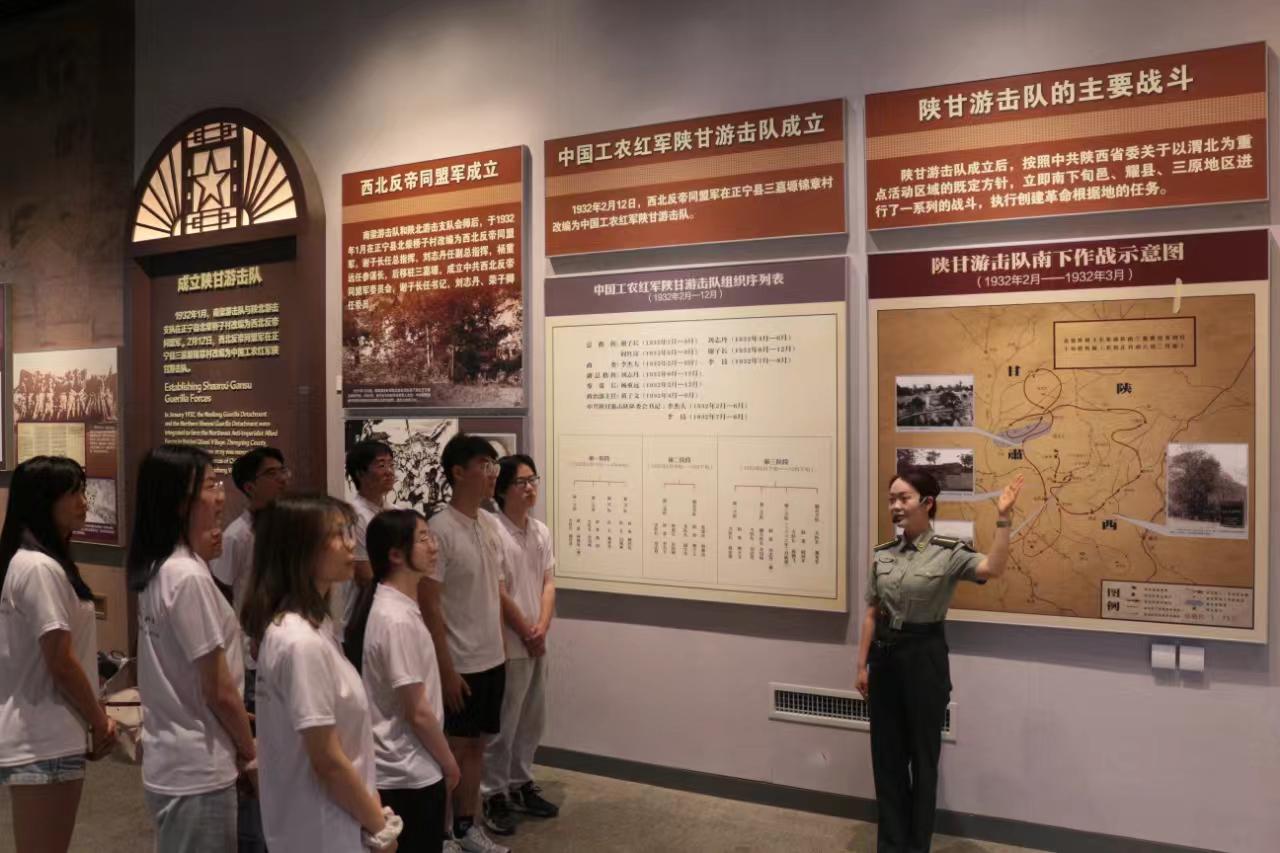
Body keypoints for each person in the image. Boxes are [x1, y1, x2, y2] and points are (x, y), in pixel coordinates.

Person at [856, 471, 1024, 853]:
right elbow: (871, 612)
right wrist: (861, 665)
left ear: (927, 502)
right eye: (891, 499)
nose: (895, 506)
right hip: (885, 657)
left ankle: (917, 846)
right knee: (886, 758)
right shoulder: (883, 554)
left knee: (923, 759)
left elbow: (993, 568)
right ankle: (891, 845)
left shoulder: (948, 552)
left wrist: (1003, 518)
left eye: (904, 498)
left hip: (924, 657)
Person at [241, 495, 401, 853]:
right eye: (337, 534)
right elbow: (327, 760)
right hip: (322, 831)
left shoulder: (310, 628)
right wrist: (381, 829)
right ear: (302, 548)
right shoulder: (300, 641)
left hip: (326, 822)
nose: (351, 544)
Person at [128, 445, 257, 853]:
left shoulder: (162, 566)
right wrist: (250, 752)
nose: (221, 497)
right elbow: (217, 689)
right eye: (211, 485)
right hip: (198, 765)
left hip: (174, 758)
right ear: (181, 500)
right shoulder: (186, 577)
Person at [0, 456, 117, 852]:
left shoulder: (43, 564)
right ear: (43, 501)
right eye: (73, 493)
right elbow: (60, 661)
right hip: (44, 739)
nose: (84, 502)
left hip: (51, 735)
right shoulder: (38, 568)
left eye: (82, 491)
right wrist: (98, 721)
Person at [345, 510, 462, 853]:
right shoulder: (396, 619)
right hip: (407, 770)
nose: (433, 546)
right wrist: (449, 763)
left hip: (411, 763)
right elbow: (417, 711)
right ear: (396, 554)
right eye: (423, 539)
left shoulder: (396, 607)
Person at [420, 434, 509, 853]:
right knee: (453, 749)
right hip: (460, 662)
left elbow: (494, 593)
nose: (492, 474)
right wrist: (446, 668)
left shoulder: (489, 523)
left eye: (494, 466)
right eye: (484, 466)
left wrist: (501, 650)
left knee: (477, 746)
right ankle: (442, 835)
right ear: (458, 472)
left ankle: (466, 826)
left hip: (492, 657)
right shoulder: (440, 529)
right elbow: (429, 606)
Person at [210, 446, 290, 853]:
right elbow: (222, 596)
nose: (282, 479)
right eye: (271, 474)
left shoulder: (283, 528)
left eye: (282, 471)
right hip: (251, 658)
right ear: (248, 486)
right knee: (254, 754)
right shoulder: (236, 537)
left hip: (280, 652)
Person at [481, 455, 559, 835]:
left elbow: (549, 583)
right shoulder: (492, 530)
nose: (530, 488)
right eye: (521, 482)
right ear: (502, 489)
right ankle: (493, 793)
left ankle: (520, 782)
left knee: (532, 718)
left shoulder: (540, 531)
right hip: (508, 642)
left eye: (533, 480)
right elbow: (497, 592)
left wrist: (541, 628)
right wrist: (527, 631)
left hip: (536, 641)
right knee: (504, 723)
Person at [333, 439, 396, 638]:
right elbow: (364, 576)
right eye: (381, 465)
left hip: (390, 610)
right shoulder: (355, 515)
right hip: (363, 616)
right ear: (360, 473)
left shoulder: (393, 511)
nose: (389, 471)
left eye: (391, 464)